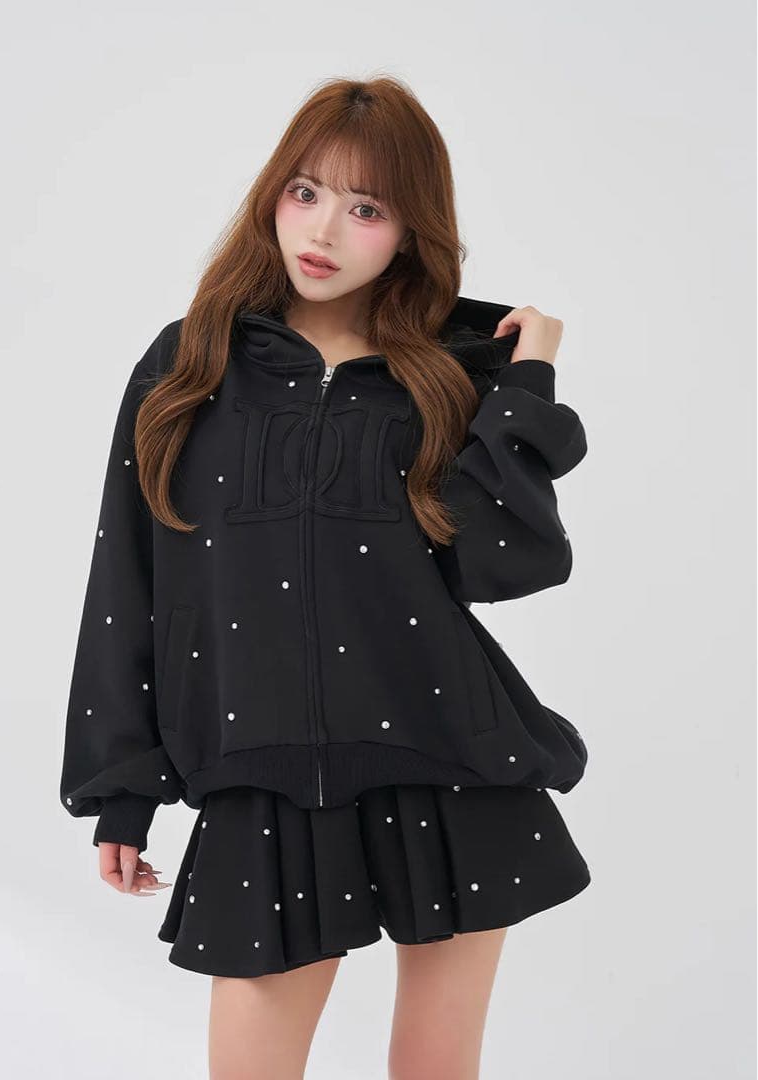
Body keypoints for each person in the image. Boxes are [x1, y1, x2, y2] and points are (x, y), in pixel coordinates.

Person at [59, 74, 591, 1079]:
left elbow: (507, 561)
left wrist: (525, 381)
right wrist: (122, 790)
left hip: (445, 755)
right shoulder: (188, 366)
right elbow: (126, 577)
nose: (323, 230)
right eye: (304, 192)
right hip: (260, 778)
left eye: (366, 208)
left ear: (411, 230)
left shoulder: (445, 373)